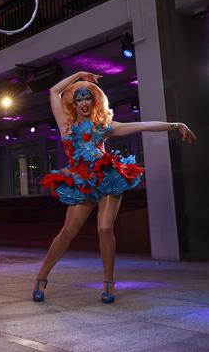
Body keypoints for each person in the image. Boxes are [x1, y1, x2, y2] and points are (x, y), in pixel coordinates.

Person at [34, 71, 197, 303]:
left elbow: (142, 125)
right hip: (82, 181)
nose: (83, 103)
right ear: (72, 101)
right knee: (68, 232)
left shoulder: (104, 126)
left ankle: (108, 283)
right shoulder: (66, 125)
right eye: (78, 99)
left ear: (94, 101)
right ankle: (41, 277)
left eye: (87, 98)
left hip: (108, 177)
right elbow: (53, 91)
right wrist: (78, 75)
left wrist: (175, 125)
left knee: (104, 228)